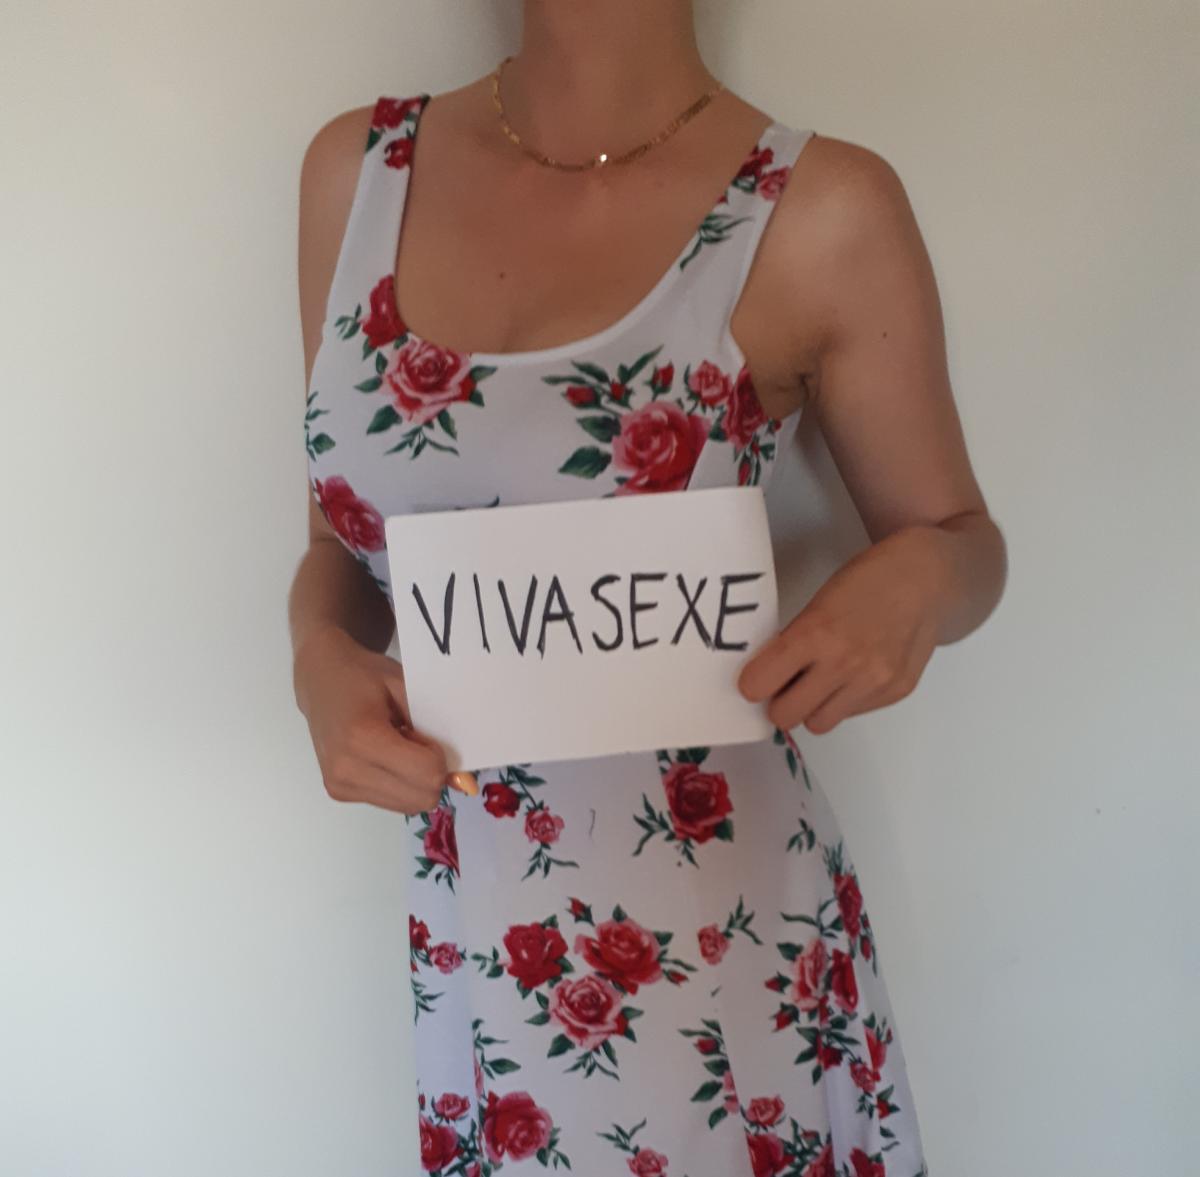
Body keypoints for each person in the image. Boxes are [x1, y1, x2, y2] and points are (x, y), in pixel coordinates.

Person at [289, 3, 1006, 1173]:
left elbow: (964, 541)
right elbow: (341, 534)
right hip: (478, 923)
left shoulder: (821, 208)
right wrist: (317, 654)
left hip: (725, 933)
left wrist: (922, 578)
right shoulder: (358, 175)